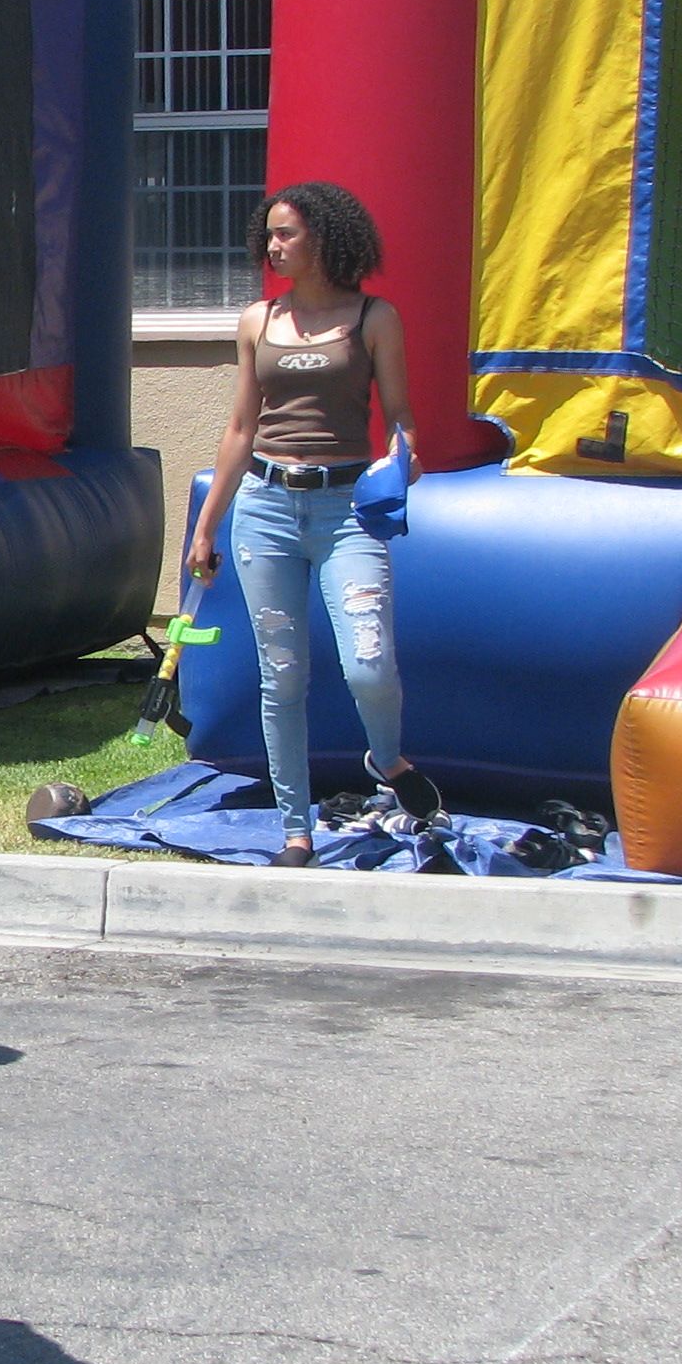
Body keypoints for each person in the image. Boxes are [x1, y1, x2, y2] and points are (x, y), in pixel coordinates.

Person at [181, 180, 442, 866]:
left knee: (368, 665)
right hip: (265, 509)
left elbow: (401, 415)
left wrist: (403, 457)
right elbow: (241, 428)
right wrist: (206, 526)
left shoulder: (374, 317)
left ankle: (386, 759)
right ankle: (296, 830)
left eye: (286, 233)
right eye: (268, 234)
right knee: (282, 676)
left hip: (346, 509)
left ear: (323, 238)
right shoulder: (257, 321)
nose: (272, 245)